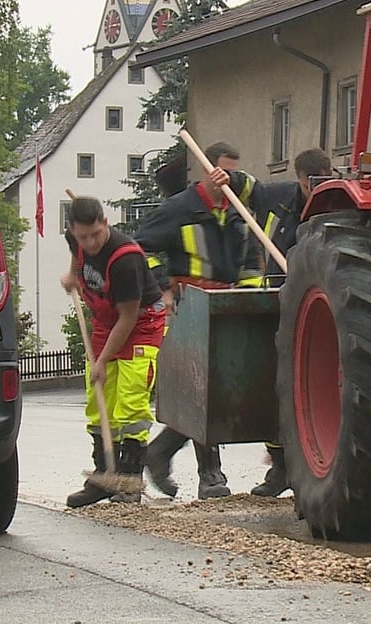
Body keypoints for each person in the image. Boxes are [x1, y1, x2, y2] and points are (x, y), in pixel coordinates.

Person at [135, 141, 263, 499]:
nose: (227, 179)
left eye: (233, 173)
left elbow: (250, 259)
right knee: (201, 388)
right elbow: (140, 248)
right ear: (207, 169)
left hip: (227, 305)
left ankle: (159, 453)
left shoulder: (237, 211)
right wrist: (162, 287)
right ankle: (212, 476)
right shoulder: (180, 209)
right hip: (189, 305)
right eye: (223, 171)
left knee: (218, 390)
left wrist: (249, 295)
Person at [227, 147, 332, 496]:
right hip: (279, 301)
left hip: (318, 308)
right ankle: (280, 469)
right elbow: (251, 190)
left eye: (318, 183)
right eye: (308, 184)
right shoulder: (283, 197)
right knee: (276, 386)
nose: (312, 191)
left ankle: (311, 467)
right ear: (300, 179)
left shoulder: (332, 204)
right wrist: (226, 178)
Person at [62, 197, 166, 507]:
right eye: (84, 237)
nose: (90, 243)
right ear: (74, 231)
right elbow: (75, 253)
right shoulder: (76, 239)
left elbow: (129, 316)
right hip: (105, 324)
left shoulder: (125, 259)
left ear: (105, 223)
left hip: (140, 325)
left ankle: (129, 481)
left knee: (130, 404)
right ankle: (103, 476)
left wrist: (103, 360)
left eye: (96, 233)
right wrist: (72, 276)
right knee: (99, 401)